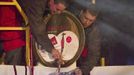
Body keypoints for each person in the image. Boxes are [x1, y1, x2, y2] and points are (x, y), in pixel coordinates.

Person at [68, 4, 101, 74]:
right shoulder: (70, 20)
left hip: (81, 66)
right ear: (81, 12)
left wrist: (83, 70)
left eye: (91, 21)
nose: (87, 22)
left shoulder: (94, 31)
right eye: (86, 18)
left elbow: (93, 55)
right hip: (64, 62)